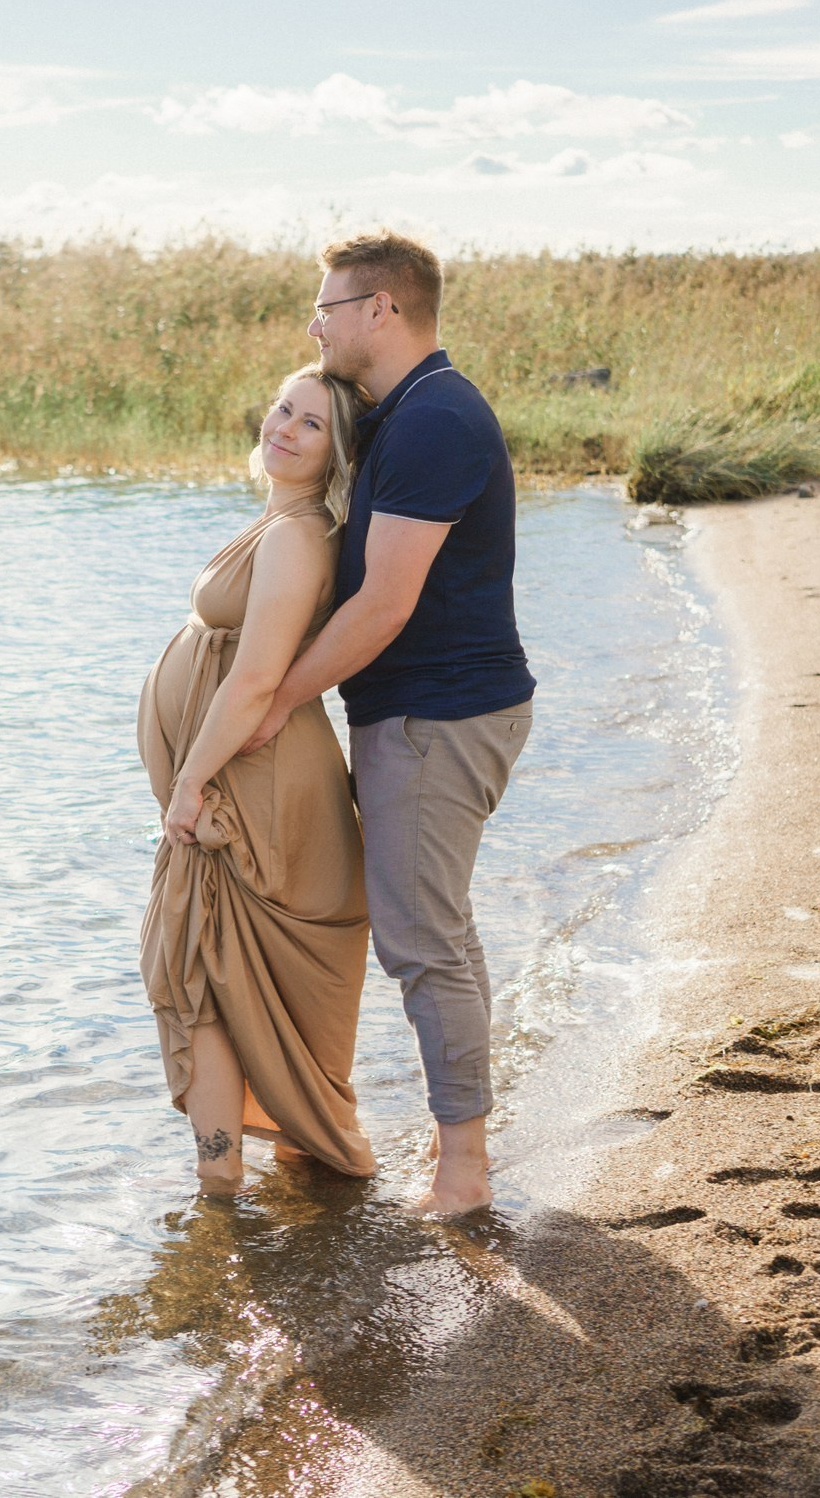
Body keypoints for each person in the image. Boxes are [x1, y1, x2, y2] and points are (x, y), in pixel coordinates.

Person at [243, 230, 535, 1216]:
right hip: (434, 710)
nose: (314, 325)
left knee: (420, 939)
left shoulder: (434, 421)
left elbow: (382, 607)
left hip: (437, 716)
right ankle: (467, 1142)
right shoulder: (406, 413)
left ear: (381, 310)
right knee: (438, 929)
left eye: (324, 307)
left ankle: (463, 1172)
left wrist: (280, 699)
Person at [138, 363, 378, 1195]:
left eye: (311, 423)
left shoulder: (298, 534)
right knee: (212, 968)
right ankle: (235, 1184)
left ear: (337, 452)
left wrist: (189, 781)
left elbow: (255, 680)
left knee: (213, 967)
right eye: (283, 408)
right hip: (239, 778)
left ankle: (225, 1190)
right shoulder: (276, 520)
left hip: (256, 788)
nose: (284, 426)